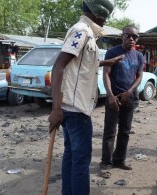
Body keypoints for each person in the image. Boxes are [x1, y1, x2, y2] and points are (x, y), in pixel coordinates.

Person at [48, 1, 123, 194]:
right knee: (80, 162)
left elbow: (83, 62)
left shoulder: (87, 33)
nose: (105, 21)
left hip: (73, 108)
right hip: (75, 109)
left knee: (71, 157)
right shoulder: (82, 31)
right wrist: (56, 109)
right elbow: (58, 66)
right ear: (98, 14)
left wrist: (108, 61)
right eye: (104, 17)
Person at [101, 25, 144, 172]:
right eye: (128, 35)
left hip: (129, 98)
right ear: (122, 36)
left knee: (125, 131)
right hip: (114, 97)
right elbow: (106, 73)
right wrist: (110, 95)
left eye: (135, 36)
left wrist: (130, 92)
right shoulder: (112, 52)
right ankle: (106, 162)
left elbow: (139, 76)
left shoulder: (139, 56)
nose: (131, 39)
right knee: (110, 131)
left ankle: (119, 160)